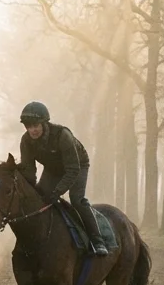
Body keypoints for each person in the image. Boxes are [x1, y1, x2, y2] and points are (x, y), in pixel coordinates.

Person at [17, 100, 108, 256]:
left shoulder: (62, 135)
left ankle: (97, 240)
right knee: (41, 197)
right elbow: (29, 172)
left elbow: (73, 169)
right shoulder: (25, 141)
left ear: (44, 123)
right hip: (53, 169)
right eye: (28, 126)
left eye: (35, 125)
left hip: (77, 165)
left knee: (76, 199)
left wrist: (57, 191)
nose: (32, 130)